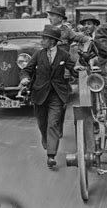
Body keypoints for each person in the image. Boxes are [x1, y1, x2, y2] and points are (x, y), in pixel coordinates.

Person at [20, 25, 77, 169]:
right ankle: (45, 139)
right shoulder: (38, 55)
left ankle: (51, 156)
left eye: (44, 38)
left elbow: (73, 68)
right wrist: (24, 78)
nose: (41, 41)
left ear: (52, 41)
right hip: (39, 94)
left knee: (53, 124)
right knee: (42, 124)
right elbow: (26, 70)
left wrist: (78, 69)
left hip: (57, 94)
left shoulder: (64, 55)